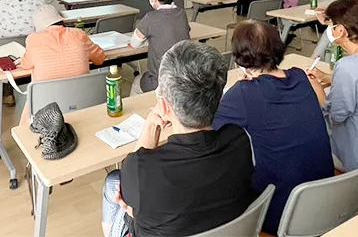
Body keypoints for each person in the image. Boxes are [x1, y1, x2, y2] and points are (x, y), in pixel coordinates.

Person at [102, 41, 255, 237]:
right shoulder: (240, 141)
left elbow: (130, 187)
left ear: (165, 106)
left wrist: (150, 127)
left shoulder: (142, 169)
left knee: (113, 184)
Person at [212, 20, 334, 235]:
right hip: (325, 199)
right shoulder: (301, 76)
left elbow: (210, 130)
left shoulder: (243, 93)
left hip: (281, 211)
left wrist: (239, 90)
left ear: (240, 56)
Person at [307, 0, 358, 186]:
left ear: (340, 31)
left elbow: (335, 116)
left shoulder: (347, 66)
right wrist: (331, 78)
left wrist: (318, 89)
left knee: (310, 119)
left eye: (330, 25)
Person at [18, 5, 106, 125]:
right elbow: (100, 59)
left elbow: (25, 64)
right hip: (83, 102)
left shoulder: (33, 39)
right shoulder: (79, 34)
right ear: (61, 20)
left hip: (45, 107)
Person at [129, 0, 190, 96]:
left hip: (159, 81)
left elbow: (134, 43)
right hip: (182, 79)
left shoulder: (150, 18)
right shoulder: (182, 14)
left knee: (136, 83)